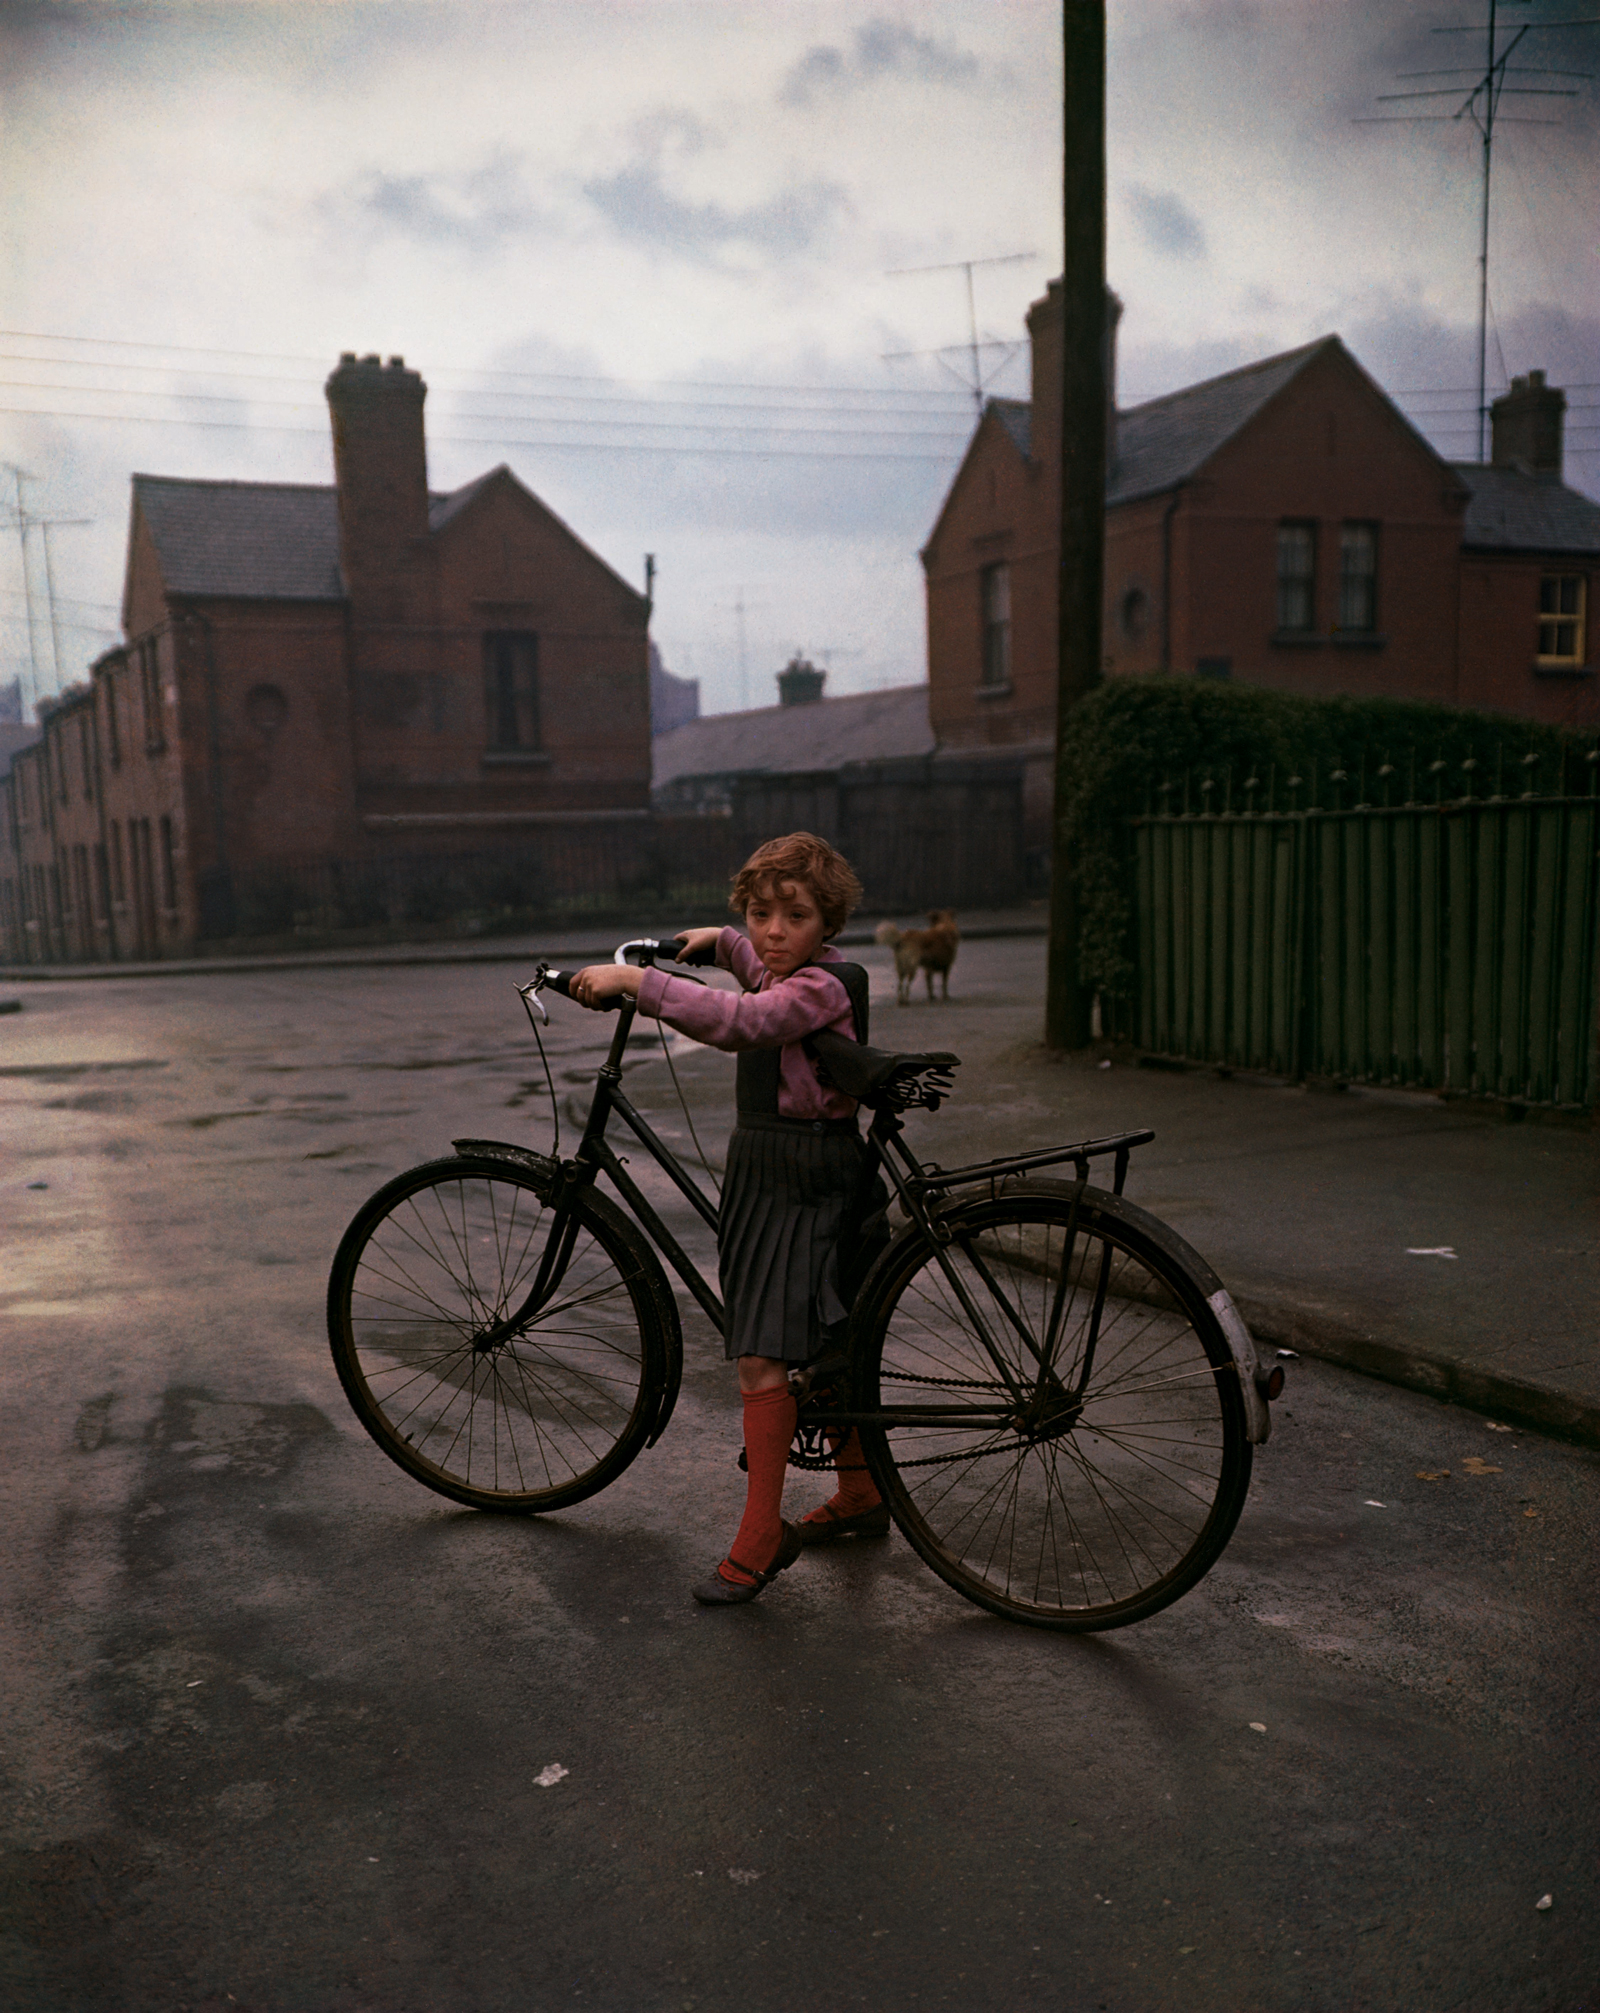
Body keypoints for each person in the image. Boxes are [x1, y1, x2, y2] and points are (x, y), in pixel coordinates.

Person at [566, 832, 889, 1605]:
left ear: (828, 924)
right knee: (823, 1337)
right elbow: (753, 961)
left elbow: (746, 1021)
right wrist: (716, 942)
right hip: (777, 1170)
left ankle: (760, 1534)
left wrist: (639, 983)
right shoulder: (784, 960)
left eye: (796, 915)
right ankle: (861, 1491)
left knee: (762, 1351)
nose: (774, 930)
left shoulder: (821, 988)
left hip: (801, 1178)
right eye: (759, 911)